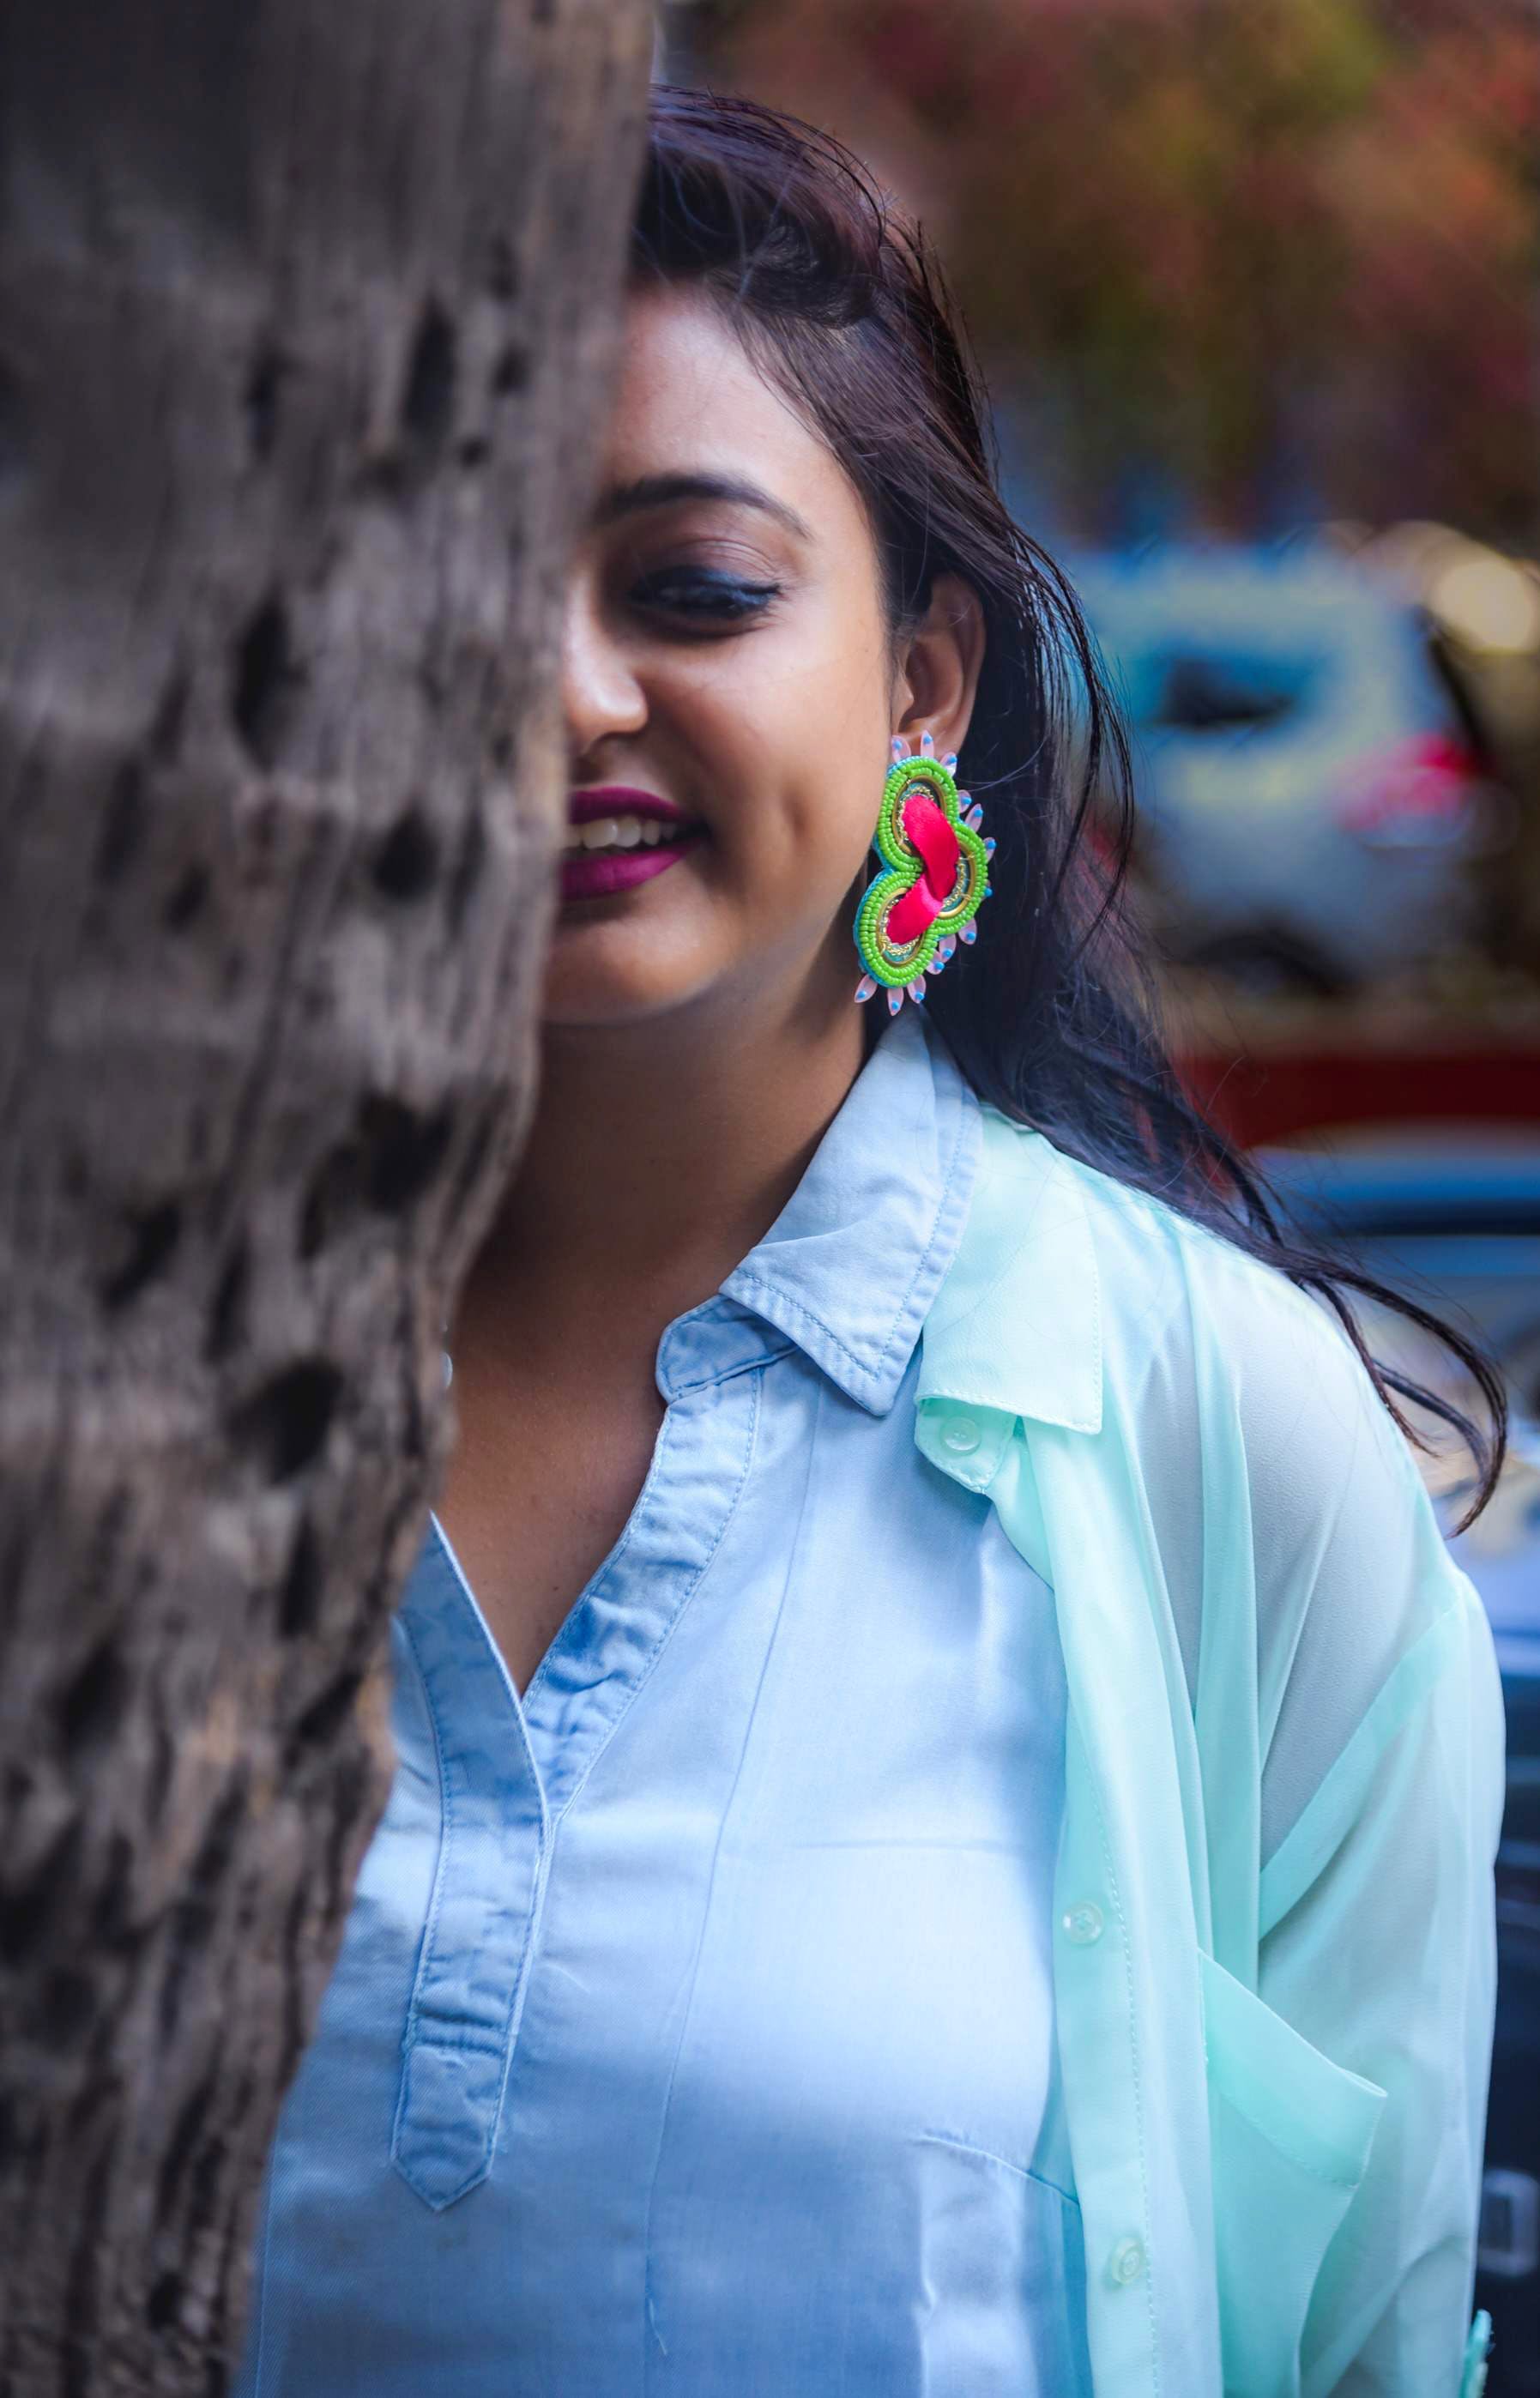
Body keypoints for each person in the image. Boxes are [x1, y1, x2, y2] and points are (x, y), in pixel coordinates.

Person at [234, 88, 1506, 2398]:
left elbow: (1357, 2349)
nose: (560, 687)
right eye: (442, 583)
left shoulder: (1215, 1440)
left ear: (921, 675)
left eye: (691, 586)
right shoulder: (128, 1399)